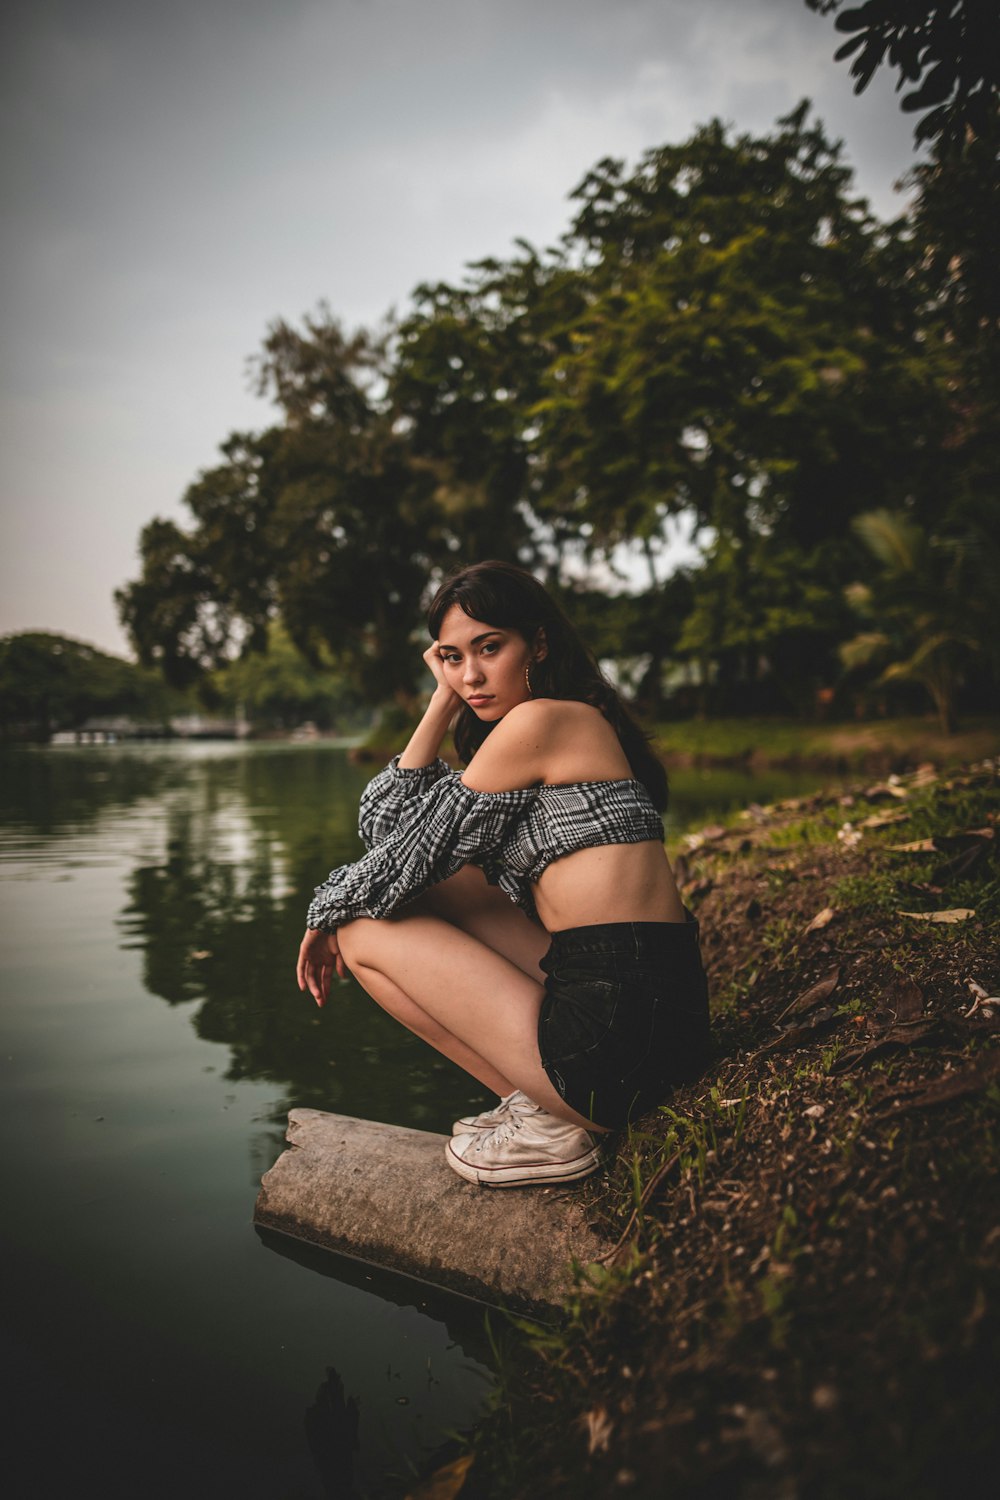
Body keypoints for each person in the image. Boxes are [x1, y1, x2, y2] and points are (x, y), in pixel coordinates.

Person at [296, 561, 709, 1188]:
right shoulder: (567, 719)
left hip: (618, 1039)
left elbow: (401, 857)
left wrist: (324, 913)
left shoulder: (539, 723)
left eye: (490, 648)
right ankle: (550, 1103)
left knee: (360, 931)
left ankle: (558, 1119)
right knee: (436, 889)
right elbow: (387, 823)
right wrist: (442, 700)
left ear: (537, 643)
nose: (471, 675)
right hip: (659, 1017)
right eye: (452, 657)